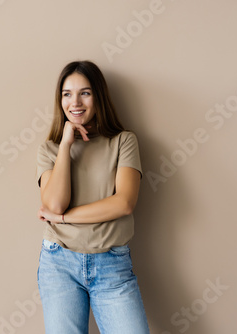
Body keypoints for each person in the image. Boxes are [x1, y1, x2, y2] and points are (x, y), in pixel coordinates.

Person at [35, 60, 150, 334]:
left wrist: (63, 219)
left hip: (112, 263)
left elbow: (124, 203)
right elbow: (54, 204)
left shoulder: (123, 141)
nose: (75, 102)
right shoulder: (49, 148)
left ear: (99, 96)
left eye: (85, 92)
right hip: (59, 263)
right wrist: (65, 144)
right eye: (67, 93)